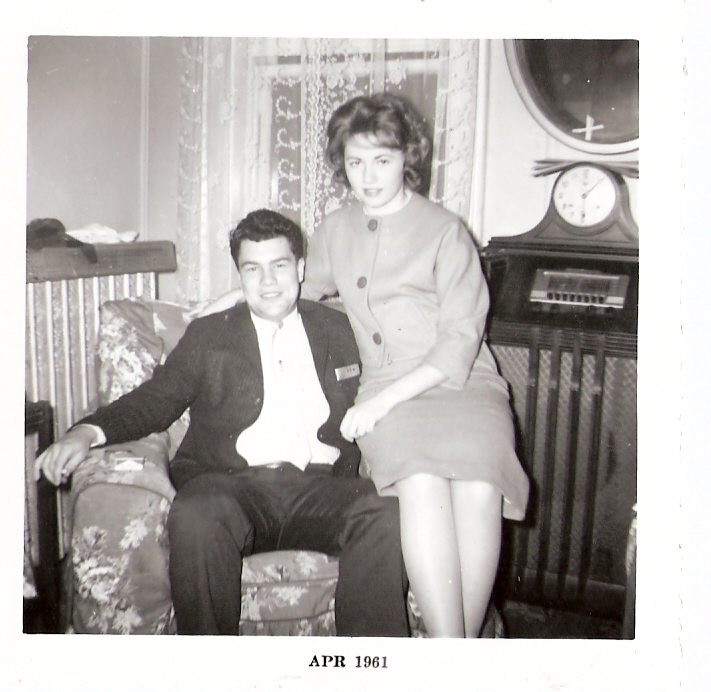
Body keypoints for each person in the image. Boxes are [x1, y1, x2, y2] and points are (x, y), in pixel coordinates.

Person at [202, 93, 530, 638]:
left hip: (464, 383)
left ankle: (454, 654)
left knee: (479, 487)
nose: (369, 176)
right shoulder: (336, 230)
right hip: (387, 384)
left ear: (407, 158)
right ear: (342, 165)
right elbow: (294, 285)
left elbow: (461, 338)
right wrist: (227, 298)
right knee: (420, 481)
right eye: (356, 162)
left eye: (382, 159)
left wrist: (379, 404)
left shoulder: (446, 231)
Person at [35, 209, 410, 637]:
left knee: (389, 512)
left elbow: (391, 384)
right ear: (240, 275)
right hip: (231, 488)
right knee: (196, 513)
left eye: (279, 265)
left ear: (301, 268)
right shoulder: (210, 334)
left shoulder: (340, 329)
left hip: (321, 489)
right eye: (253, 269)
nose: (267, 281)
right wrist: (86, 432)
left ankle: (368, 664)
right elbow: (155, 400)